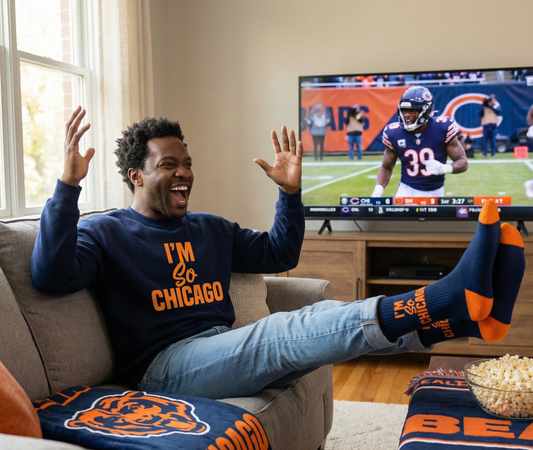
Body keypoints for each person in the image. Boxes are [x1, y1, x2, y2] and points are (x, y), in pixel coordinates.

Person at [30, 106, 525, 400]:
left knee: (325, 320)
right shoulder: (105, 231)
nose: (184, 172)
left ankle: (462, 321)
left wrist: (290, 194)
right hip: (164, 370)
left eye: (187, 162)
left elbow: (277, 253)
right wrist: (68, 185)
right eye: (169, 164)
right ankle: (447, 294)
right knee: (280, 333)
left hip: (222, 348)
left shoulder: (209, 228)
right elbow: (52, 276)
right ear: (136, 175)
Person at [372, 86, 468, 198]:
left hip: (436, 191)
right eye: (404, 110)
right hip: (407, 190)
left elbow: (463, 162)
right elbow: (386, 167)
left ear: (426, 110)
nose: (407, 115)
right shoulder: (394, 133)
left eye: (412, 111)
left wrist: (444, 168)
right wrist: (378, 190)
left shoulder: (442, 128)